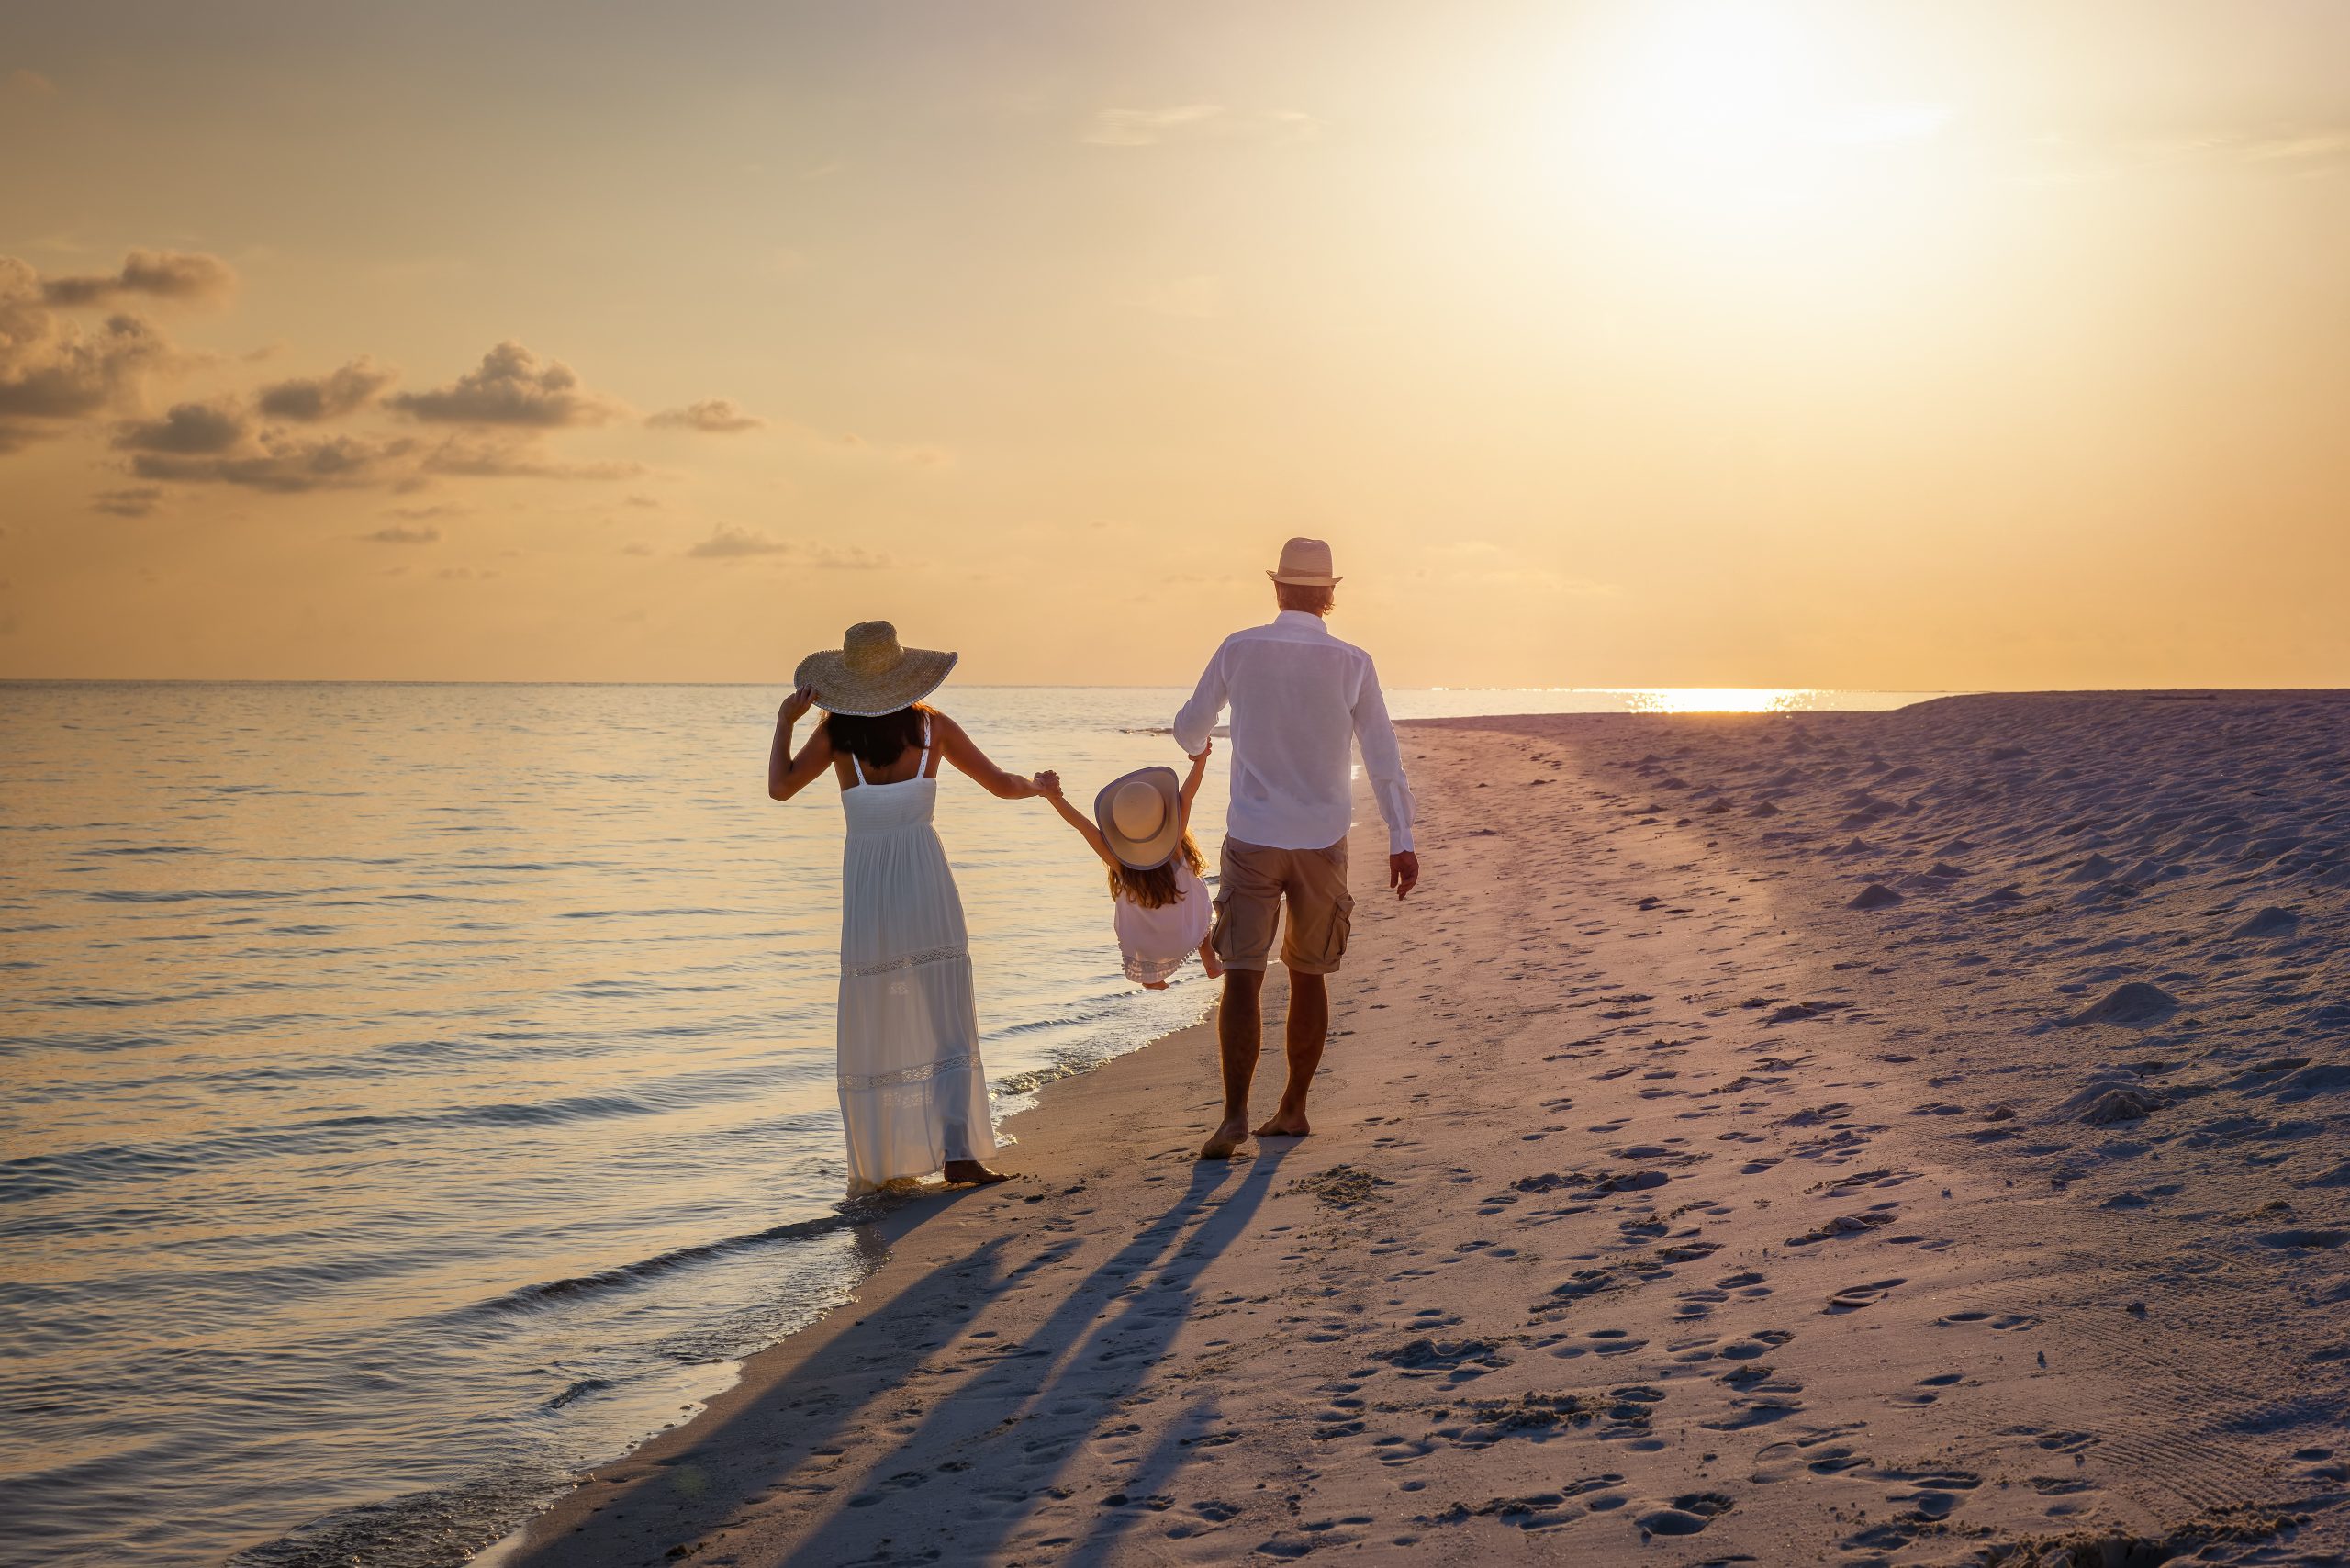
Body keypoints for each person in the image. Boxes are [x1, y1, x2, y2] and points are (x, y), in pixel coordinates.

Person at [767, 620, 1050, 1193]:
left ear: (848, 683)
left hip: (869, 891)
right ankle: (958, 1153)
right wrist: (1038, 785)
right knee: (944, 1012)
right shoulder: (934, 728)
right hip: (925, 880)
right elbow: (1000, 784)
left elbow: (780, 787)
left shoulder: (835, 736)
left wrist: (783, 723)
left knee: (879, 1008)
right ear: (903, 675)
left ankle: (886, 1159)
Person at [1173, 538, 1419, 1159]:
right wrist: (1402, 838)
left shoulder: (1239, 647)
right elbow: (1383, 758)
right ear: (1329, 595)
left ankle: (1233, 1118)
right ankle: (1292, 1109)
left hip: (1254, 835)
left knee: (1243, 977)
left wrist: (1200, 747)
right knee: (1310, 976)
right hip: (1322, 838)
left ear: (1278, 589)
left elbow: (1188, 729)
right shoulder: (1353, 662)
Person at [1036, 744, 1226, 990]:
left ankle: (1152, 977)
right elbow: (1187, 795)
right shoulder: (1175, 846)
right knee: (1197, 898)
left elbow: (1083, 826)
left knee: (1139, 912)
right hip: (1186, 934)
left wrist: (1055, 797)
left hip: (1148, 945)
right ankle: (1210, 962)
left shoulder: (1120, 863)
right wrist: (1200, 761)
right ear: (1165, 815)